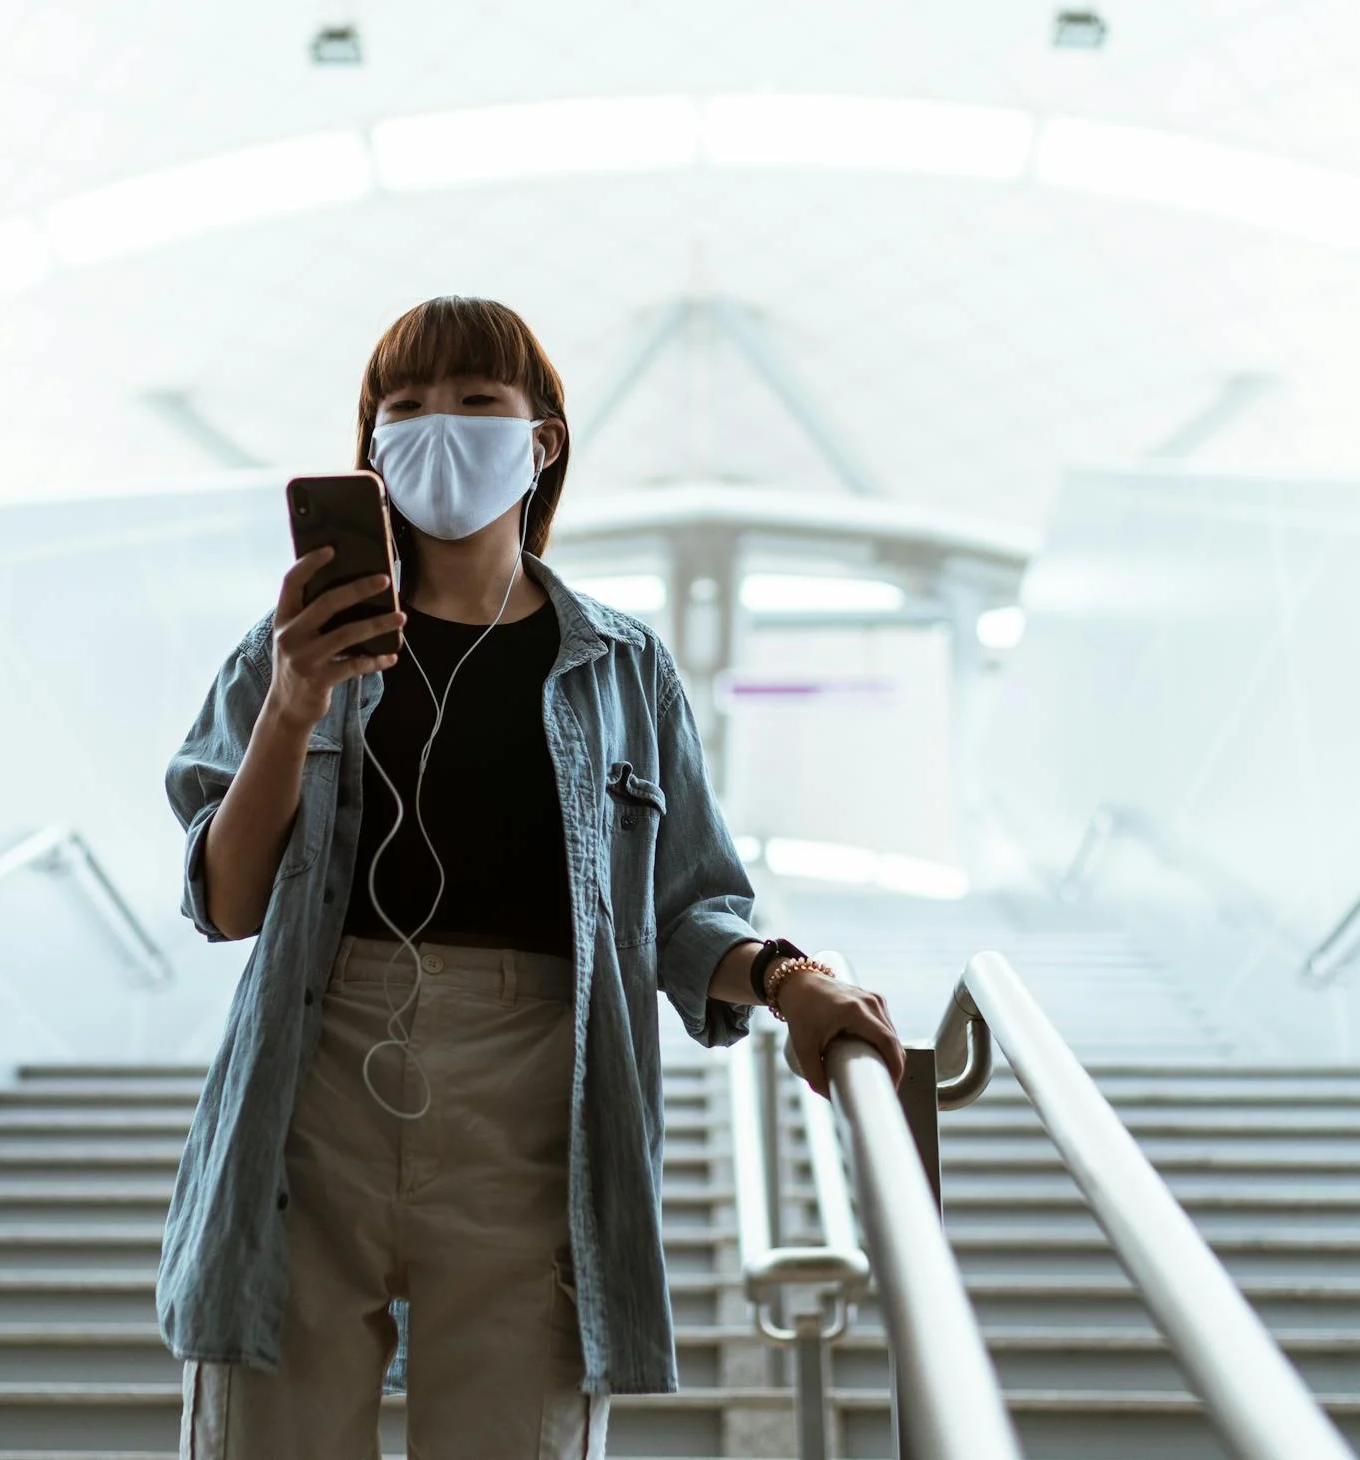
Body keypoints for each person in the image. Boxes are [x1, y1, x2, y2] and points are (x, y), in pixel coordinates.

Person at [159, 295, 909, 1458]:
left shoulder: (619, 665)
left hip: (536, 1111)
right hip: (312, 1100)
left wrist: (786, 976)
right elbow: (226, 898)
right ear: (367, 456)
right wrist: (296, 702)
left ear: (541, 439)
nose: (438, 430)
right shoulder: (295, 643)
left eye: (475, 401)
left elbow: (686, 901)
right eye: (403, 409)